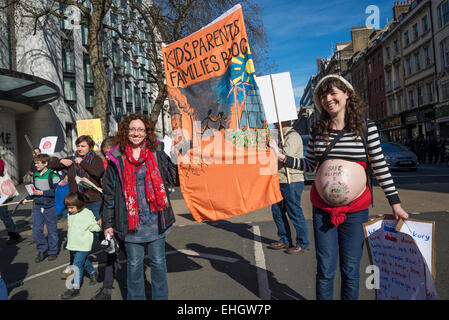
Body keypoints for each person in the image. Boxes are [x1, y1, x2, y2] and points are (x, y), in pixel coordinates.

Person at [270, 74, 409, 300]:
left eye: (333, 92)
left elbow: (380, 166)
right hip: (323, 210)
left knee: (351, 270)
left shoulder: (366, 127)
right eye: (323, 95)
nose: (328, 98)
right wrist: (283, 157)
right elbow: (310, 164)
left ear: (346, 94)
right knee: (325, 269)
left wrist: (395, 203)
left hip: (355, 211)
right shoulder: (318, 129)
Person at [102, 113, 176, 300]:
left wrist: (176, 156)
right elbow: (109, 194)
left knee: (158, 262)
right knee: (134, 264)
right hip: (129, 219)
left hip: (155, 218)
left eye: (140, 129)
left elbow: (174, 179)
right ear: (126, 132)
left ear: (147, 132)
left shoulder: (157, 152)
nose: (136, 133)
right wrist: (108, 223)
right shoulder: (116, 157)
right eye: (132, 129)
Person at [268, 121, 310, 254]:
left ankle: (303, 243)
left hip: (292, 180)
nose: (273, 123)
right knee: (277, 210)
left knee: (294, 212)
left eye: (275, 121)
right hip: (280, 180)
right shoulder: (282, 136)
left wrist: (275, 148)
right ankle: (284, 239)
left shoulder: (292, 136)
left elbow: (286, 157)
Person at [48, 135, 104, 221]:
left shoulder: (96, 159)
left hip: (94, 201)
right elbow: (50, 166)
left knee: (95, 229)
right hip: (76, 201)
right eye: (78, 146)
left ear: (91, 147)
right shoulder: (72, 159)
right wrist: (60, 161)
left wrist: (83, 163)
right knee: (78, 229)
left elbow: (97, 174)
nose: (80, 149)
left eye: (83, 146)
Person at [91, 136, 120, 300]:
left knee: (132, 257)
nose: (108, 157)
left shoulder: (126, 165)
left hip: (126, 217)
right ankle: (107, 288)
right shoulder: (109, 168)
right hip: (111, 215)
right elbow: (108, 197)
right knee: (110, 252)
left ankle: (136, 288)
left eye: (110, 153)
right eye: (105, 154)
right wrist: (104, 216)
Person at [60, 191, 102, 299]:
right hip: (73, 245)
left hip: (83, 246)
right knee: (83, 262)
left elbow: (93, 227)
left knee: (77, 265)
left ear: (79, 205)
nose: (69, 210)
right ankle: (93, 273)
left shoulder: (87, 213)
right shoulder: (71, 213)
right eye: (67, 207)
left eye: (71, 207)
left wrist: (100, 225)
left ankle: (75, 288)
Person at [22, 153, 60, 262]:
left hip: (50, 206)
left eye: (38, 163)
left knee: (52, 230)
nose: (36, 165)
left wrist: (43, 192)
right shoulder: (35, 175)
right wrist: (26, 198)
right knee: (36, 230)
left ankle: (53, 251)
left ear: (45, 163)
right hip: (38, 207)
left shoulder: (53, 176)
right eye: (35, 163)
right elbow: (33, 191)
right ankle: (42, 250)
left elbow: (57, 192)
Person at [0, 154, 22, 244]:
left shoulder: (0, 162)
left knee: (4, 215)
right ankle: (13, 233)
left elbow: (0, 171)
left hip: (2, 194)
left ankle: (14, 234)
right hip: (2, 193)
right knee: (4, 215)